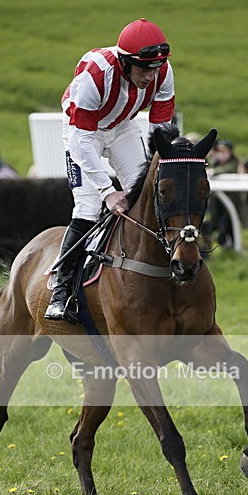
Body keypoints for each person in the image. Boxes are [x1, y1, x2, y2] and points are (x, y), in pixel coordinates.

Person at [44, 18, 174, 323]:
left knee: (149, 195)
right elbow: (81, 143)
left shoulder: (163, 72)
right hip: (82, 133)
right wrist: (108, 191)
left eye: (155, 68)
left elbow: (160, 132)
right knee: (88, 207)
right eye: (143, 68)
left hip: (124, 126)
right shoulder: (96, 75)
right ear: (125, 62)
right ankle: (61, 288)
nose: (150, 75)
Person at [205, 139, 240, 249]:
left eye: (224, 152)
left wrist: (214, 172)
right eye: (219, 152)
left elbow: (229, 169)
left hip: (231, 202)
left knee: (227, 227)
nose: (221, 155)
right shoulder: (216, 163)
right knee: (214, 224)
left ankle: (232, 247)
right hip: (217, 202)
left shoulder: (234, 164)